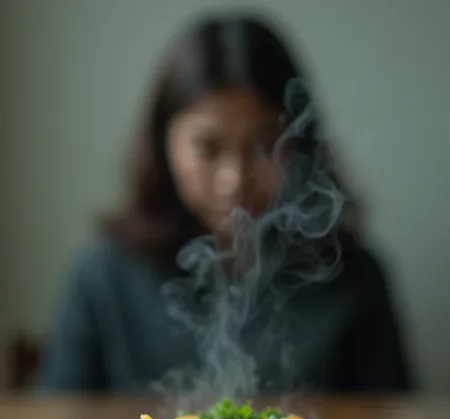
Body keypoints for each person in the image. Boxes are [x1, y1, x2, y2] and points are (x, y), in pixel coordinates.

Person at [41, 13, 413, 395]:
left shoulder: (355, 279)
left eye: (264, 145)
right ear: (163, 143)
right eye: (208, 147)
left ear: (299, 144)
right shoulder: (102, 279)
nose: (234, 179)